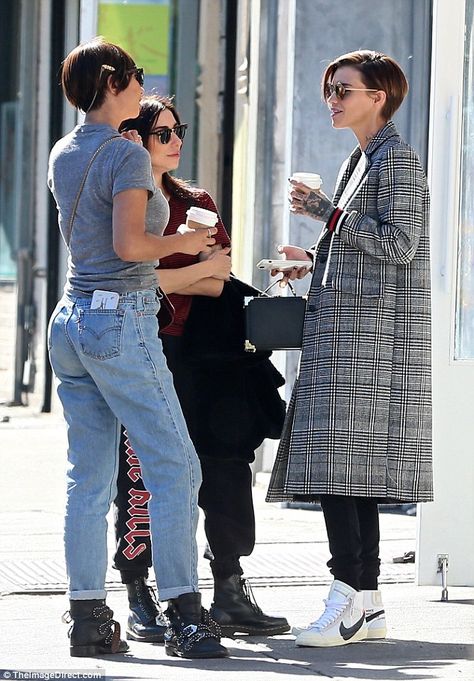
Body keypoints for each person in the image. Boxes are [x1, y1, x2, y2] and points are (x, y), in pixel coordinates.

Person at [47, 37, 228, 659]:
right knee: (176, 466)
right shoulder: (124, 156)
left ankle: (88, 617)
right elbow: (129, 247)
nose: (141, 86)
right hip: (120, 319)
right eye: (136, 77)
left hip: (70, 320)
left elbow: (95, 240)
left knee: (88, 479)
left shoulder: (64, 151)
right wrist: (186, 246)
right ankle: (186, 614)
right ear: (113, 83)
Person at [266, 50, 432, 648]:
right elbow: (368, 246)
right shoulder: (361, 158)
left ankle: (348, 597)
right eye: (329, 89)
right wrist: (313, 261)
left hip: (369, 343)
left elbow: (401, 246)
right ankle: (367, 599)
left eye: (343, 89)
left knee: (342, 471)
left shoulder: (397, 161)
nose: (332, 99)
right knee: (349, 473)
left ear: (378, 96)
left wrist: (325, 214)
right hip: (346, 331)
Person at [113, 94, 290, 642]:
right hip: (147, 349)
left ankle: (230, 587)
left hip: (210, 356)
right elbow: (136, 278)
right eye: (162, 133)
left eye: (177, 130)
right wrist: (192, 268)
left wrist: (186, 271)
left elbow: (219, 278)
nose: (175, 140)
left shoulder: (198, 201)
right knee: (140, 472)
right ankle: (140, 591)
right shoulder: (125, 200)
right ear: (135, 139)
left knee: (227, 465)